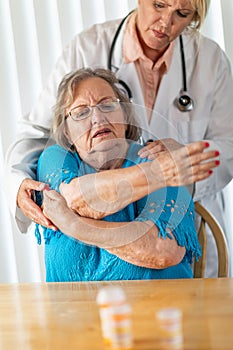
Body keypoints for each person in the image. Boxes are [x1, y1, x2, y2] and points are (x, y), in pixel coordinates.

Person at [5, 0, 233, 277]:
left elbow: (228, 145)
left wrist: (185, 164)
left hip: (183, 225)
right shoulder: (87, 48)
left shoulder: (209, 60)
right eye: (158, 5)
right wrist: (17, 184)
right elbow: (38, 132)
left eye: (182, 14)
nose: (165, 22)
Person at [35, 67, 218, 282]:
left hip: (159, 309)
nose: (97, 118)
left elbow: (163, 250)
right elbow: (75, 198)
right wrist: (157, 174)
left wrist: (74, 225)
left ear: (124, 113)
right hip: (71, 313)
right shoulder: (56, 159)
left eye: (107, 105)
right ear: (66, 131)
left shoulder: (160, 156)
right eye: (81, 112)